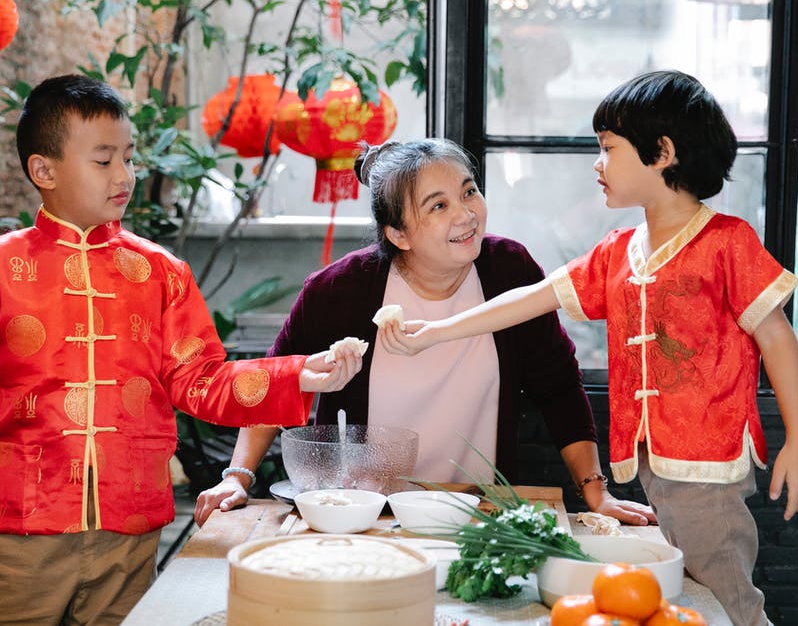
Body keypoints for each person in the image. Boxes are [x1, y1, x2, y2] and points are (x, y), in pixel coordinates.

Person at [0, 74, 363, 623]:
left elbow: (200, 379)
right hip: (14, 537)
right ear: (43, 171)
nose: (125, 175)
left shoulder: (162, 273)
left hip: (127, 536)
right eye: (104, 160)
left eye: (129, 159)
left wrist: (303, 374)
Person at [379, 71, 798, 626]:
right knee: (684, 600)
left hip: (709, 463)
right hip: (656, 464)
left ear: (661, 153)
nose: (598, 162)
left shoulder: (727, 242)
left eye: (608, 148)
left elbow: (777, 337)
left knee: (727, 598)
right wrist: (436, 331)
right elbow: (534, 298)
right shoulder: (618, 251)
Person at [195, 138, 655, 528]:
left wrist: (596, 492)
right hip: (363, 515)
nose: (467, 214)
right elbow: (278, 381)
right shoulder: (341, 290)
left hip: (476, 510)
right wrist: (236, 477)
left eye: (469, 192)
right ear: (398, 234)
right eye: (439, 206)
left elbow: (558, 386)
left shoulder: (508, 270)